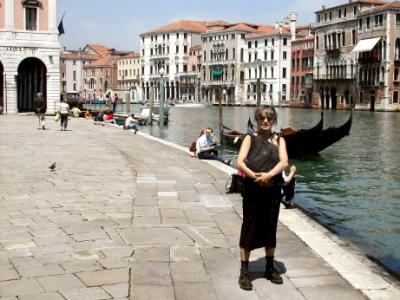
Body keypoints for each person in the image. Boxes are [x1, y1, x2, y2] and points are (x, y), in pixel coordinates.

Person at [236, 106, 289, 290]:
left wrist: (268, 176)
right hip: (252, 189)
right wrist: (255, 176)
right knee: (249, 227)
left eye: (269, 118)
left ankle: (269, 267)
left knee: (270, 227)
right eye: (262, 118)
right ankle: (244, 271)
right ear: (257, 120)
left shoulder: (279, 140)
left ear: (273, 120)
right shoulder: (249, 138)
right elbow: (240, 161)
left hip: (272, 190)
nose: (265, 121)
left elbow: (284, 162)